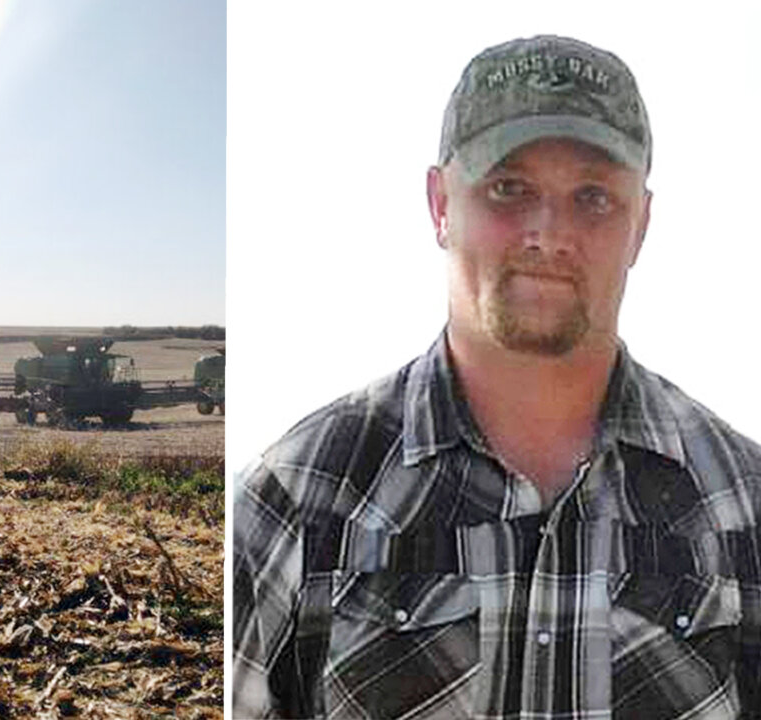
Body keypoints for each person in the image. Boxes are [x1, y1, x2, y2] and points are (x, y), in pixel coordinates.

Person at [232, 35, 761, 719]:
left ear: (641, 226)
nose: (549, 233)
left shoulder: (740, 503)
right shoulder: (302, 496)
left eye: (594, 197)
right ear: (439, 203)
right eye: (509, 188)